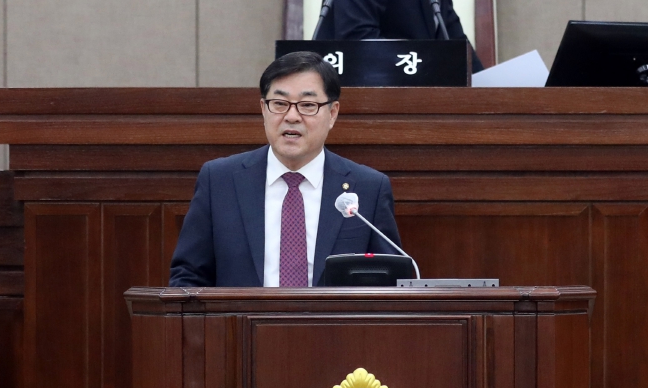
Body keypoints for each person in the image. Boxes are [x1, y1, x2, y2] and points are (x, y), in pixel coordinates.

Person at [169, 51, 402, 287]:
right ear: (263, 109)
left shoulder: (368, 188)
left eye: (308, 105)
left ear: (332, 113)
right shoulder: (220, 181)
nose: (292, 117)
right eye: (279, 104)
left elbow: (390, 282)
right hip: (240, 313)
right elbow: (189, 276)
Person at [315, 0, 484, 72]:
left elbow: (459, 49)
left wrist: (487, 87)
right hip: (360, 102)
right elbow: (359, 43)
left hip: (418, 102)